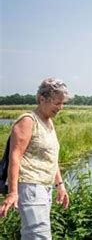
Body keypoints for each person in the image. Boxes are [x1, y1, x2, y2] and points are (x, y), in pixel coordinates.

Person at [0, 78, 70, 239]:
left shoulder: (48, 122)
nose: (60, 108)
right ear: (42, 99)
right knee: (39, 236)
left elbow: (51, 158)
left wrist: (60, 185)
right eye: (57, 103)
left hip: (44, 188)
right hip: (30, 186)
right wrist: (12, 193)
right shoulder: (28, 121)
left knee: (34, 235)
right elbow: (15, 156)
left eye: (62, 103)